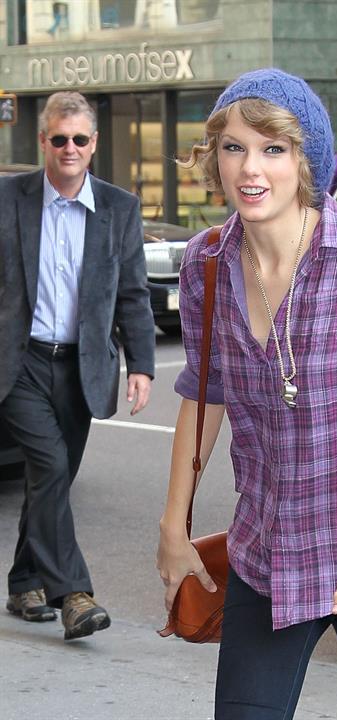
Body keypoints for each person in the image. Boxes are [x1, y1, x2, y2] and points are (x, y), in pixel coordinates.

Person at [156, 68, 337, 720]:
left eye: (272, 149)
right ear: (213, 157)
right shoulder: (206, 267)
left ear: (306, 159)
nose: (250, 169)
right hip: (270, 554)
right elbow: (204, 399)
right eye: (233, 147)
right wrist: (174, 528)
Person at [0, 91, 155, 640]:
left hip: (81, 368)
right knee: (49, 468)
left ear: (93, 146)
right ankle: (74, 594)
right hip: (19, 363)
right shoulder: (7, 198)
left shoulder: (119, 209)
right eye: (58, 138)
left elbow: (133, 294)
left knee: (54, 482)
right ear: (43, 141)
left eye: (79, 139)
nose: (69, 147)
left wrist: (141, 363)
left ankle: (23, 583)